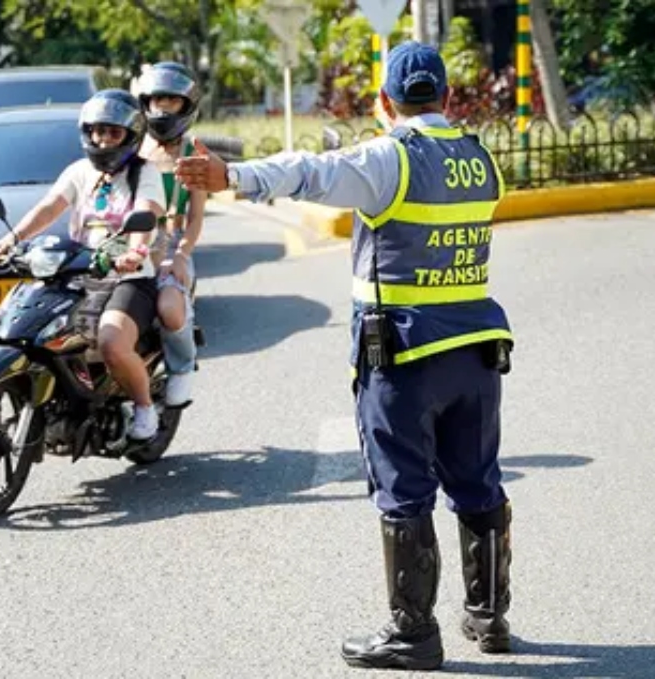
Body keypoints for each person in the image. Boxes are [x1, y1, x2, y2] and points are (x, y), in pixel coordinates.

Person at [174, 42, 515, 671]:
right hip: (476, 353)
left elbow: (311, 170)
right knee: (476, 480)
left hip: (405, 357)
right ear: (446, 97)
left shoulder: (390, 159)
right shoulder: (479, 156)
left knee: (404, 491)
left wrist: (234, 178)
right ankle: (490, 617)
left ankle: (414, 634)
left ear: (386, 102)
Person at [0, 89, 167, 441]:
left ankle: (144, 407)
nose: (103, 140)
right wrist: (13, 239)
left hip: (127, 278)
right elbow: (50, 207)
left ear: (131, 136)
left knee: (112, 343)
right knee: (39, 331)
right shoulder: (79, 171)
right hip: (77, 271)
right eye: (97, 131)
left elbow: (147, 212)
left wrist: (134, 251)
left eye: (113, 133)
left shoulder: (145, 173)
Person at [135, 61, 207, 408]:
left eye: (171, 100)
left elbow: (195, 218)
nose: (162, 108)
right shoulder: (130, 149)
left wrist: (180, 255)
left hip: (169, 251)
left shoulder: (195, 154)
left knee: (170, 309)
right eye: (156, 99)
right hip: (127, 250)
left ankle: (182, 367)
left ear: (186, 105)